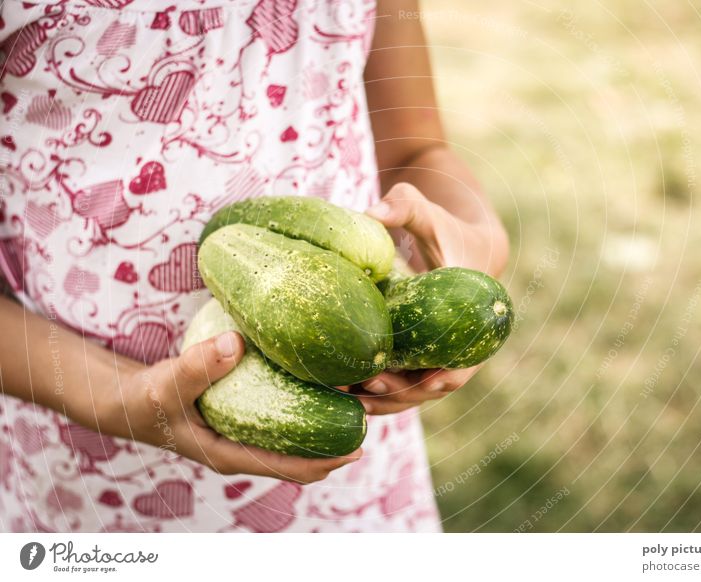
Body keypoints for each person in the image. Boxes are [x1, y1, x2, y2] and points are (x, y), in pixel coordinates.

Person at [0, 0, 508, 532]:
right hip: (90, 456)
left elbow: (417, 149)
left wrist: (478, 241)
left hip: (349, 455)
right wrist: (106, 394)